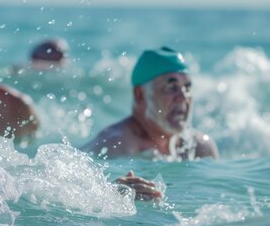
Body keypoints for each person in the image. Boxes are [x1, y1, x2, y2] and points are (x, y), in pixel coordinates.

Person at [81, 46, 218, 160]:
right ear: (140, 95)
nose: (183, 97)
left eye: (187, 87)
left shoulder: (200, 148)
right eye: (171, 88)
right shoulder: (115, 145)